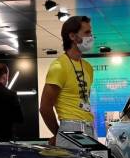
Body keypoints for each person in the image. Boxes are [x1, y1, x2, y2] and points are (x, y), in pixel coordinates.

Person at [40, 16, 96, 147]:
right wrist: (59, 132)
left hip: (89, 127)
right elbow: (45, 108)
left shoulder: (88, 67)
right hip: (70, 128)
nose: (91, 36)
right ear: (72, 36)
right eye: (87, 33)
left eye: (91, 32)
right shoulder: (59, 67)